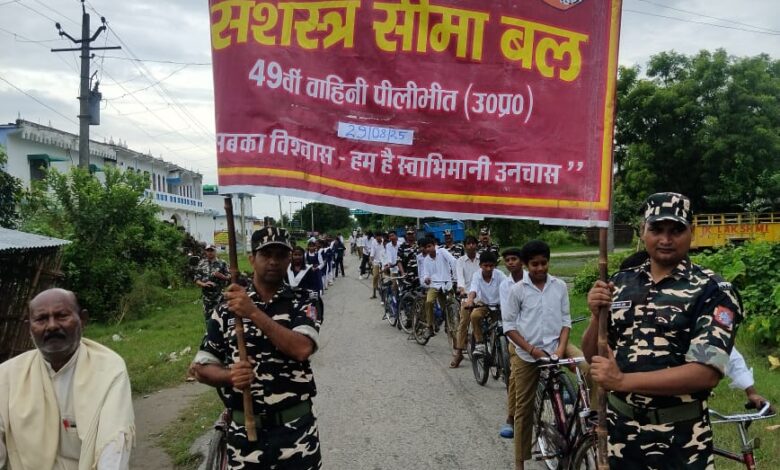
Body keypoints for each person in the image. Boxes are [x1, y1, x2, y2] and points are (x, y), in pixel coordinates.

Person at [582, 192, 743, 469]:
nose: (666, 239)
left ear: (691, 232)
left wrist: (622, 381)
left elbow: (706, 372)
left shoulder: (713, 290)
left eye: (676, 230)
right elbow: (594, 355)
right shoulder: (621, 282)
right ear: (643, 231)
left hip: (681, 440)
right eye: (657, 229)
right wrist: (596, 317)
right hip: (621, 435)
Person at [191, 226, 322, 469]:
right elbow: (201, 367)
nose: (273, 261)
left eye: (281, 255)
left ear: (289, 259)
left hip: (296, 436)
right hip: (244, 439)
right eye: (266, 254)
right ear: (252, 259)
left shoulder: (304, 300)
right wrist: (230, 376)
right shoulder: (227, 308)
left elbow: (302, 348)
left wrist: (252, 312)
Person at [0, 288, 134, 470]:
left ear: (83, 319)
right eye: (41, 319)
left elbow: (113, 444)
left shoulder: (109, 369)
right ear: (28, 328)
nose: (52, 326)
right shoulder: (7, 376)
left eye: (62, 316)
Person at [502, 240, 584, 470]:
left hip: (557, 344)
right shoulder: (517, 290)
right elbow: (509, 326)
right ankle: (520, 462)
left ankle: (590, 422)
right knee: (523, 409)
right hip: (528, 353)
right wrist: (532, 350)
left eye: (543, 263)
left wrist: (560, 348)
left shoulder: (559, 286)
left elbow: (566, 321)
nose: (540, 268)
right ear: (526, 265)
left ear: (548, 261)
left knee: (588, 367)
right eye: (534, 264)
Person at [497, 247, 525, 438]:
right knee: (515, 375)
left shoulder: (535, 280)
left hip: (543, 335)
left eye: (514, 259)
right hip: (517, 336)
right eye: (507, 260)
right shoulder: (505, 285)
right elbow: (508, 315)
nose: (511, 263)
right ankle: (511, 417)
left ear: (522, 261)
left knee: (584, 364)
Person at [462, 251, 506, 357]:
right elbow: (473, 289)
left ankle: (505, 349)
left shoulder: (500, 275)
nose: (488, 268)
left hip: (499, 305)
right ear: (480, 265)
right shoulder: (477, 275)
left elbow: (508, 287)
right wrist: (470, 300)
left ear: (494, 265)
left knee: (503, 327)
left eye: (491, 266)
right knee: (474, 316)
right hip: (483, 304)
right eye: (485, 266)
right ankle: (479, 343)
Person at [420, 237, 457, 338]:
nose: (428, 249)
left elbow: (453, 261)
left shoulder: (442, 252)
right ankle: (429, 326)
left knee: (450, 305)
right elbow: (425, 274)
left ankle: (448, 324)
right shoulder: (426, 260)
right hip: (434, 285)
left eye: (429, 246)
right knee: (429, 302)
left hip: (447, 283)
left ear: (434, 245)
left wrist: (455, 276)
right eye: (426, 247)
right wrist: (426, 278)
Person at [194, 244, 230, 322]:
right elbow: (196, 279)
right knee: (208, 319)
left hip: (219, 296)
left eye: (212, 250)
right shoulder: (201, 263)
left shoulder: (222, 263)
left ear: (215, 251)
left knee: (222, 318)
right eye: (208, 250)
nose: (210, 252)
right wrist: (204, 284)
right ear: (205, 252)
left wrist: (221, 276)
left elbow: (230, 277)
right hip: (207, 297)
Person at [288, 245, 324, 323]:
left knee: (309, 323)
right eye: (295, 255)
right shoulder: (287, 270)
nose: (297, 257)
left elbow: (314, 287)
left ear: (303, 256)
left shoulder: (309, 270)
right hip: (289, 301)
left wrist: (313, 304)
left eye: (300, 255)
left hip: (306, 301)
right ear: (292, 256)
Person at [369, 232, 385, 299]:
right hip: (376, 262)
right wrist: (371, 260)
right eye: (377, 237)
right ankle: (374, 293)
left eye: (379, 236)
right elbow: (372, 252)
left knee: (385, 277)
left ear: (381, 237)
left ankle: (385, 292)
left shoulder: (384, 241)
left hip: (384, 262)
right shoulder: (373, 242)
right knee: (375, 276)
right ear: (375, 237)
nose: (378, 238)